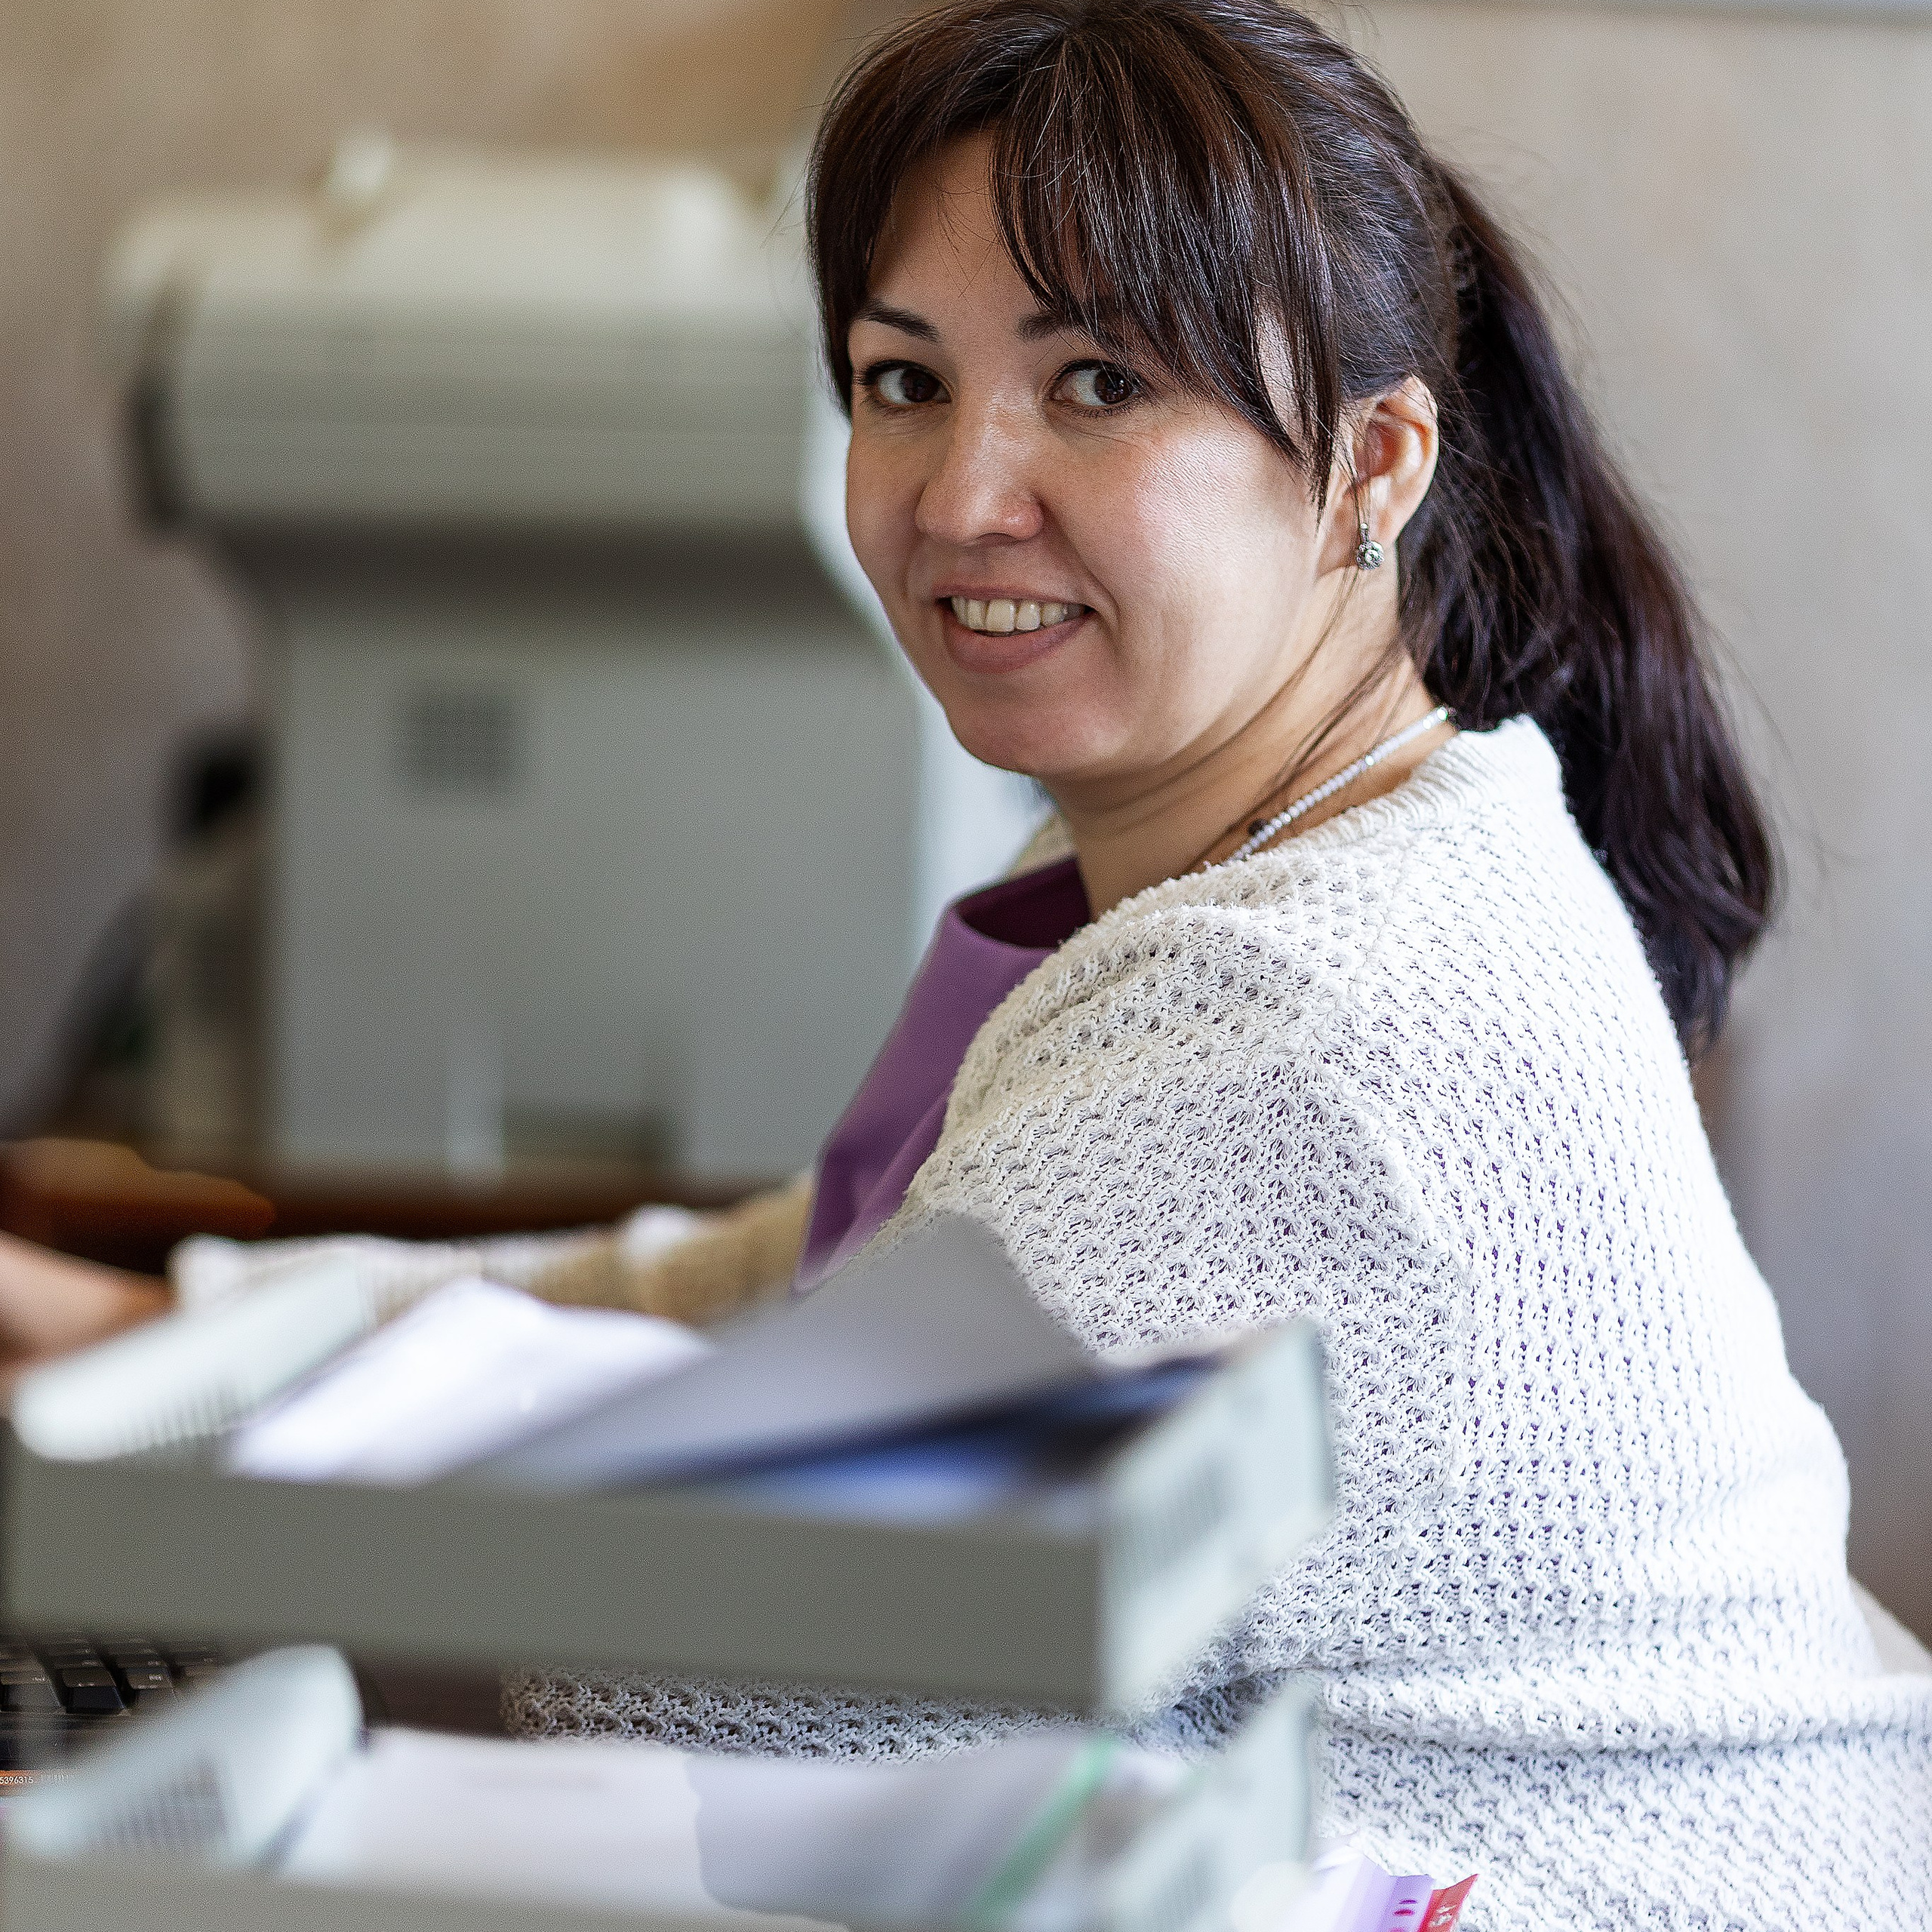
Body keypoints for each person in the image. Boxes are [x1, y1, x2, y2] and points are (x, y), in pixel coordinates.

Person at [3, 0, 1927, 1917]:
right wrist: (134, 1331)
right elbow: (763, 1291)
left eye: (1096, 382)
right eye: (900, 379)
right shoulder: (1293, 839)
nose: (954, 496)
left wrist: (132, 1570)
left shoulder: (1299, 1024)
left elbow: (692, 1675)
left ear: (1372, 466)